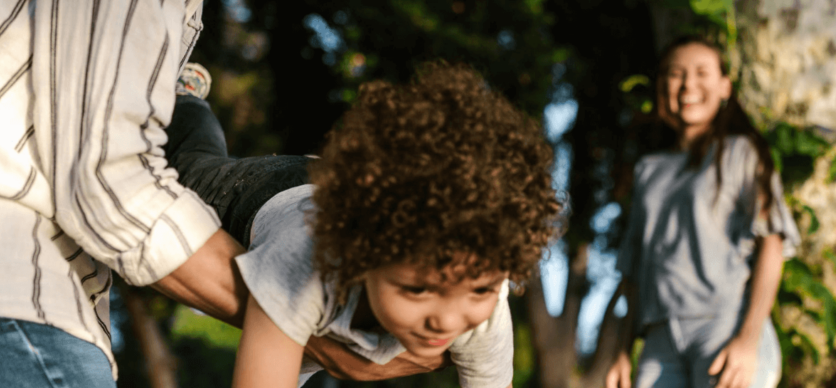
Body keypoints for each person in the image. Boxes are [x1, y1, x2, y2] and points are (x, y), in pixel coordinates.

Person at [0, 2, 448, 386]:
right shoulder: (303, 247)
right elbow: (108, 184)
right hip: (2, 287)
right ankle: (182, 98)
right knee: (198, 163)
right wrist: (294, 321)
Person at [166, 63, 562, 388]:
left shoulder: (483, 306)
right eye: (418, 288)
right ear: (363, 253)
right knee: (187, 169)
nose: (447, 319)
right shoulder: (304, 263)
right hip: (260, 193)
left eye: (479, 289)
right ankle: (186, 99)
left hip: (338, 185)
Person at [605, 36, 802, 388]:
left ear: (725, 86)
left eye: (701, 73)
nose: (688, 85)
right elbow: (636, 268)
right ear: (661, 87)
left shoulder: (741, 152)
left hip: (723, 325)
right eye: (675, 74)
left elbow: (772, 242)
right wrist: (621, 349)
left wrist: (747, 339)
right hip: (659, 337)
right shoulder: (648, 170)